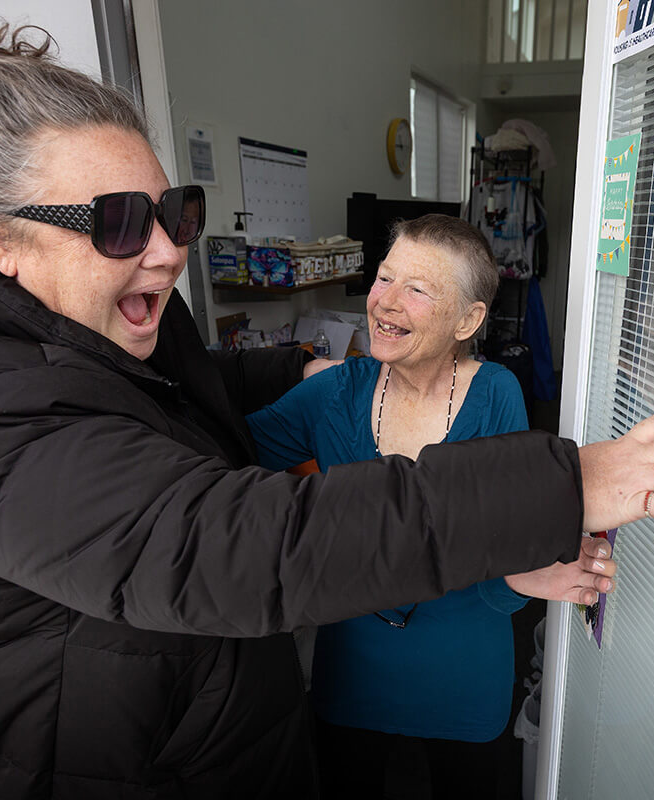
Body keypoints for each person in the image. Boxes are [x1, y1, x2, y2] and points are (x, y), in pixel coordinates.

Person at [0, 5, 654, 799]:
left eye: (176, 212)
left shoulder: (100, 309)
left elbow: (178, 387)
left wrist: (289, 369)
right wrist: (563, 487)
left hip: (206, 726)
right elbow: (232, 542)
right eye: (121, 221)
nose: (166, 251)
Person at [246, 214, 593, 798]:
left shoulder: (497, 394)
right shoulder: (333, 393)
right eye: (384, 278)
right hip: (352, 671)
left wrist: (524, 580)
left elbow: (501, 563)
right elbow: (229, 458)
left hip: (464, 675)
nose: (385, 303)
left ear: (468, 319)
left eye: (417, 289)